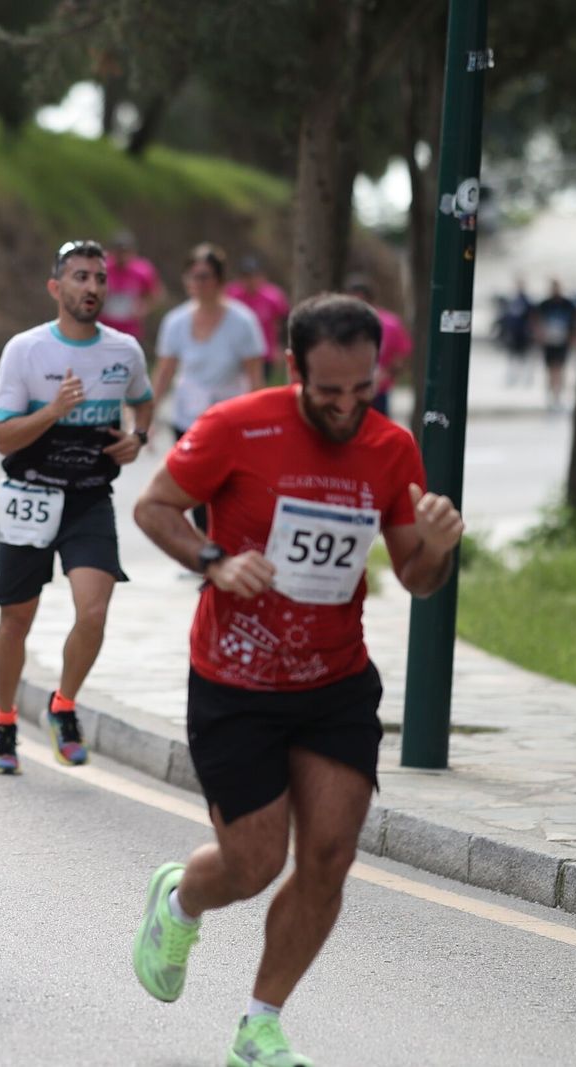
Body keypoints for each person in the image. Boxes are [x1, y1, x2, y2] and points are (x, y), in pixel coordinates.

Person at [130, 293, 465, 1067]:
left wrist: (439, 548)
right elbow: (154, 509)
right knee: (252, 864)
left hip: (334, 681)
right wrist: (216, 560)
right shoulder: (235, 426)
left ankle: (259, 1026)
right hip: (236, 681)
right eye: (328, 393)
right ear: (293, 369)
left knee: (328, 856)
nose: (348, 409)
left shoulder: (391, 447)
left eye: (363, 391)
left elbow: (416, 577)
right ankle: (180, 899)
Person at [0, 239, 154, 775]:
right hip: (30, 492)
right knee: (16, 619)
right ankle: (5, 720)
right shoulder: (26, 351)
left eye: (100, 278)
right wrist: (54, 411)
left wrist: (138, 436)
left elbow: (143, 400)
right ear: (57, 288)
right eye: (81, 277)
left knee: (95, 610)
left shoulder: (124, 351)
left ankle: (63, 706)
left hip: (88, 497)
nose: (93, 288)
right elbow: (1, 438)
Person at [151, 243, 267, 532]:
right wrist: (147, 415)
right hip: (187, 417)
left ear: (219, 280)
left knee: (226, 487)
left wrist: (260, 423)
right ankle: (205, 551)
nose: (197, 284)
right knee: (192, 487)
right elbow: (164, 371)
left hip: (229, 420)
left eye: (204, 276)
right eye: (192, 276)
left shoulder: (242, 322)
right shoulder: (176, 322)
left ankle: (226, 543)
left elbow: (255, 377)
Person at [345, 277, 413, 417]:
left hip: (377, 390)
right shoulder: (339, 324)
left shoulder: (389, 324)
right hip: (346, 390)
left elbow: (402, 354)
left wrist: (386, 373)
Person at [226, 256, 291, 384]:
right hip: (236, 352)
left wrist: (280, 347)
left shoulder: (273, 297)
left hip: (264, 352)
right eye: (245, 276)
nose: (249, 281)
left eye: (253, 276)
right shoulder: (231, 295)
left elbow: (284, 322)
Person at [101, 231, 165, 341]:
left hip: (130, 330)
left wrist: (144, 308)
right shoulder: (102, 268)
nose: (122, 256)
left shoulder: (142, 271)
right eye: (118, 251)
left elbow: (157, 294)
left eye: (125, 251)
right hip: (103, 328)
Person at [535, 280, 576, 411]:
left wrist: (573, 337)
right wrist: (540, 335)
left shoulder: (568, 305)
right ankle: (551, 396)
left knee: (559, 370)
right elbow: (536, 320)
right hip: (549, 343)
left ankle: (558, 396)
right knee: (550, 371)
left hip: (562, 343)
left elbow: (575, 322)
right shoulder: (544, 304)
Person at [498, 279, 535, 387]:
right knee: (512, 356)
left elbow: (532, 317)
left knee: (524, 357)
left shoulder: (527, 301)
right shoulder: (512, 301)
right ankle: (512, 377)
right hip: (514, 334)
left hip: (524, 334)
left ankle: (525, 378)